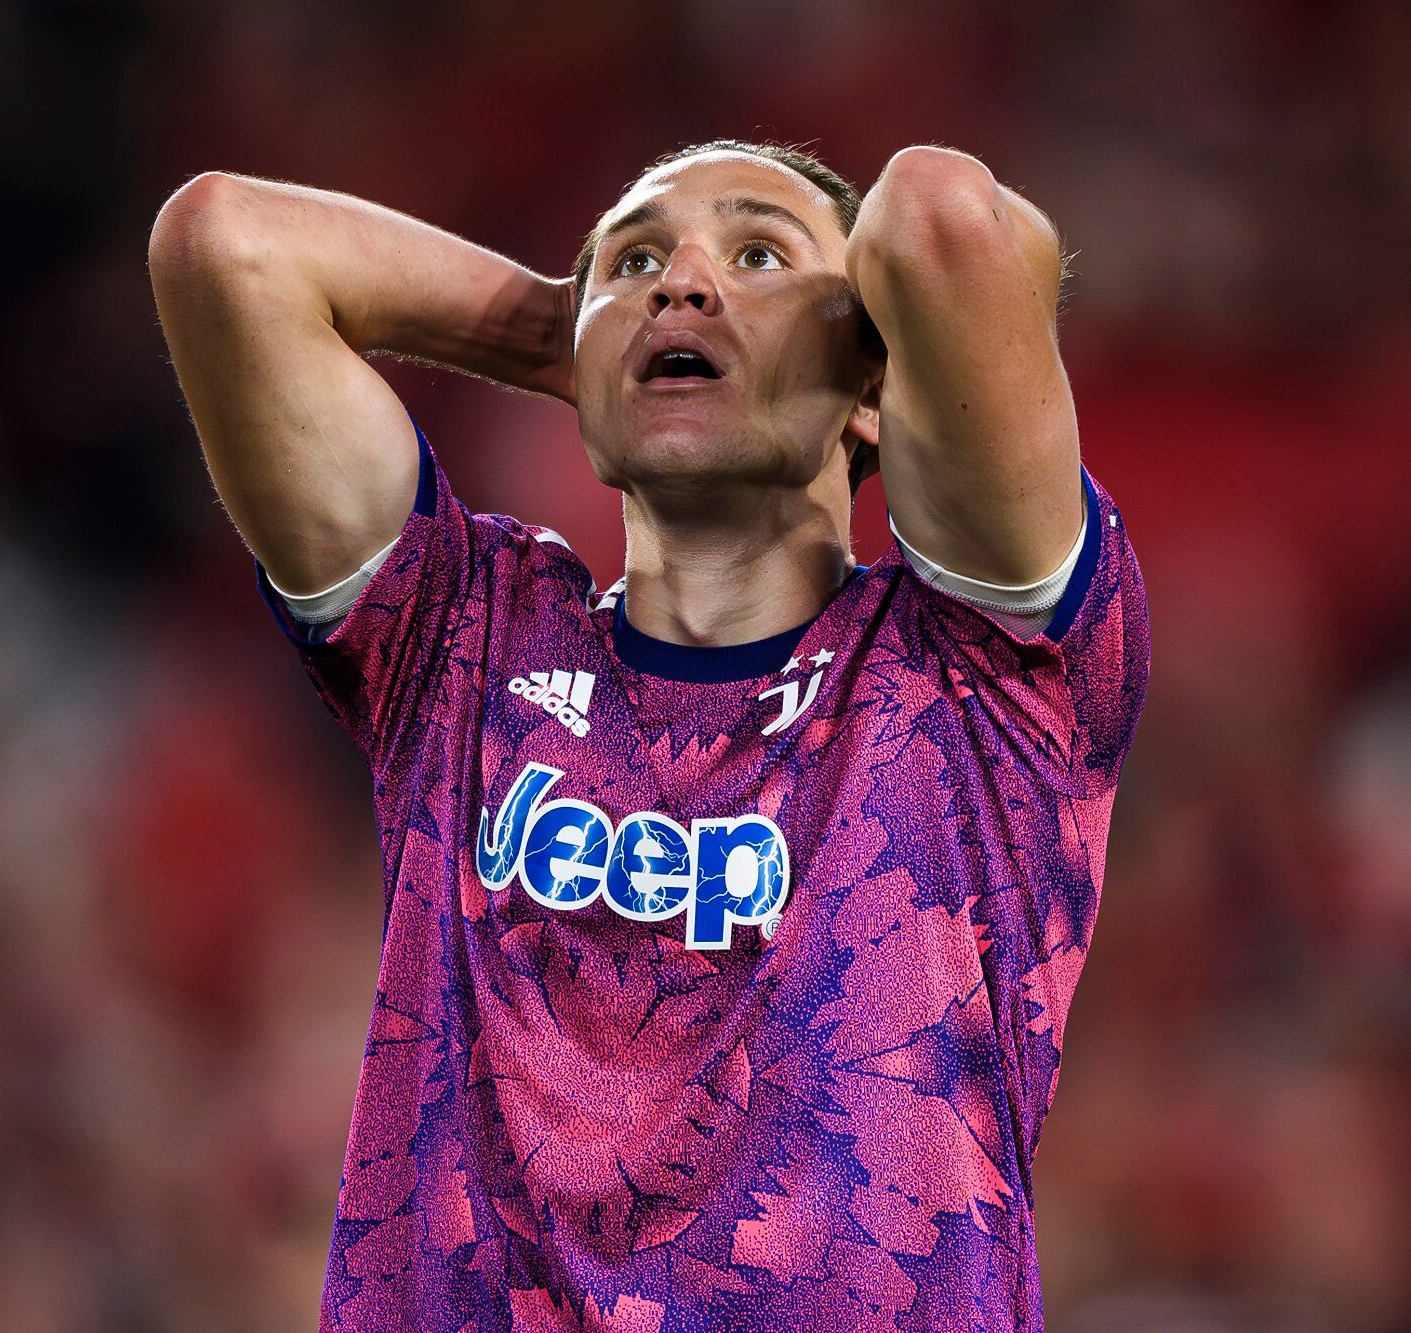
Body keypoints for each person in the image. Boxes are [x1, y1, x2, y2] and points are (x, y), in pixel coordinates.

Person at [146, 139, 1149, 1332]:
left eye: (757, 253)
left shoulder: (980, 670)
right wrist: (576, 340)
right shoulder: (460, 633)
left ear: (873, 390)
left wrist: (637, 331)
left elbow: (941, 219)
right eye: (630, 263)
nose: (677, 281)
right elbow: (226, 245)